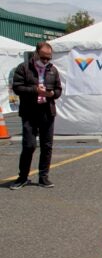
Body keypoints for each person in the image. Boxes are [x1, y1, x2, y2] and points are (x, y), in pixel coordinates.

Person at [10, 41, 62, 189]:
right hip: (29, 112)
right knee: (29, 145)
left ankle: (43, 177)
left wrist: (52, 93)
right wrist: (35, 90)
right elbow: (17, 87)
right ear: (36, 53)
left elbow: (59, 90)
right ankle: (23, 177)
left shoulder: (53, 70)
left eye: (49, 58)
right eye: (43, 57)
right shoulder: (24, 68)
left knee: (47, 146)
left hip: (47, 111)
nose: (46, 61)